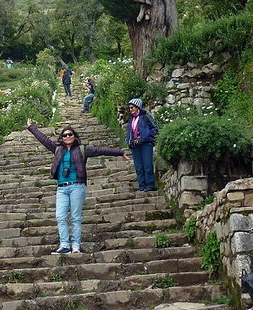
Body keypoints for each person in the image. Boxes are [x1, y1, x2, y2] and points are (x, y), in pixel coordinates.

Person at [27, 118, 129, 254]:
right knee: (60, 216)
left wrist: (120, 152)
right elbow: (44, 140)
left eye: (70, 134)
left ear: (74, 136)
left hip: (77, 186)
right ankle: (64, 245)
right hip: (62, 188)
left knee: (75, 217)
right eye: (65, 135)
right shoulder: (57, 149)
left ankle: (75, 245)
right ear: (62, 138)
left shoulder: (82, 149)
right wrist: (31, 127)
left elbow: (100, 150)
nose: (67, 136)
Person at [125, 98, 159, 192]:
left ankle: (150, 184)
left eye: (132, 107)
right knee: (138, 166)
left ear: (137, 107)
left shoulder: (145, 117)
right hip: (135, 145)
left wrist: (146, 136)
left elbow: (155, 128)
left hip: (145, 144)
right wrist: (129, 141)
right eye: (130, 108)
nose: (130, 109)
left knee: (147, 164)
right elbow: (129, 132)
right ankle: (142, 185)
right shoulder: (131, 120)